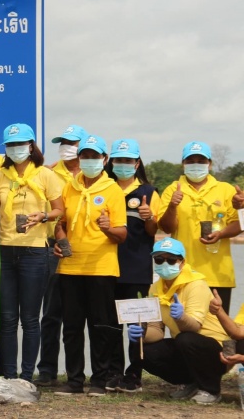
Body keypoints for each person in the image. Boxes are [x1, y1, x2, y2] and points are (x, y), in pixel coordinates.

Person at [0, 123, 64, 382]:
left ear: (31, 146)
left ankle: (26, 378)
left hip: (35, 252)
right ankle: (9, 376)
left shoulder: (45, 175)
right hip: (5, 251)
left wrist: (43, 216)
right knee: (7, 318)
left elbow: (59, 209)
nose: (15, 149)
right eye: (11, 145)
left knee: (30, 319)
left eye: (20, 144)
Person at [53, 135, 127, 396]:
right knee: (72, 327)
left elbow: (122, 234)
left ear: (104, 160)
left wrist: (108, 229)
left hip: (101, 267)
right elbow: (59, 223)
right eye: (85, 156)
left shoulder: (113, 190)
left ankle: (99, 380)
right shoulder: (69, 187)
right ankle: (74, 381)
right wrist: (60, 241)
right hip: (71, 266)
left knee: (101, 326)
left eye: (95, 156)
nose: (89, 160)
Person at [127, 238, 229, 405]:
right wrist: (143, 334)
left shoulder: (196, 285)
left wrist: (181, 317)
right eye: (159, 259)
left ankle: (211, 390)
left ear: (182, 262)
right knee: (141, 349)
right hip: (186, 347)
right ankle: (191, 383)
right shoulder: (155, 288)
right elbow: (157, 330)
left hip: (218, 349)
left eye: (171, 260)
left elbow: (194, 327)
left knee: (185, 338)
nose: (164, 264)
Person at [103, 139, 161, 393]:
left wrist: (149, 217)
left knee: (136, 326)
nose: (123, 164)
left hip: (137, 268)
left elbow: (153, 230)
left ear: (137, 163)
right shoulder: (104, 188)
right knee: (111, 325)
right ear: (111, 162)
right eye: (119, 160)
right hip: (106, 267)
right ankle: (113, 372)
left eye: (128, 160)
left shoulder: (148, 192)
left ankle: (134, 374)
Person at [159, 141, 241, 313]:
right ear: (183, 164)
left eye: (201, 161)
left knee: (218, 326)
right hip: (182, 274)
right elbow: (167, 228)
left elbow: (239, 225)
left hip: (218, 275)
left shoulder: (225, 189)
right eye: (190, 161)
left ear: (209, 164)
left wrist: (224, 230)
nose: (196, 165)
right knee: (184, 326)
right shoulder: (172, 189)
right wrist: (172, 206)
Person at [35, 123, 88, 386]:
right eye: (63, 143)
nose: (66, 147)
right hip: (55, 249)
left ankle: (77, 373)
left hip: (87, 251)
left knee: (79, 316)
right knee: (51, 313)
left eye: (72, 143)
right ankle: (47, 370)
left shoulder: (94, 175)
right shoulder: (48, 173)